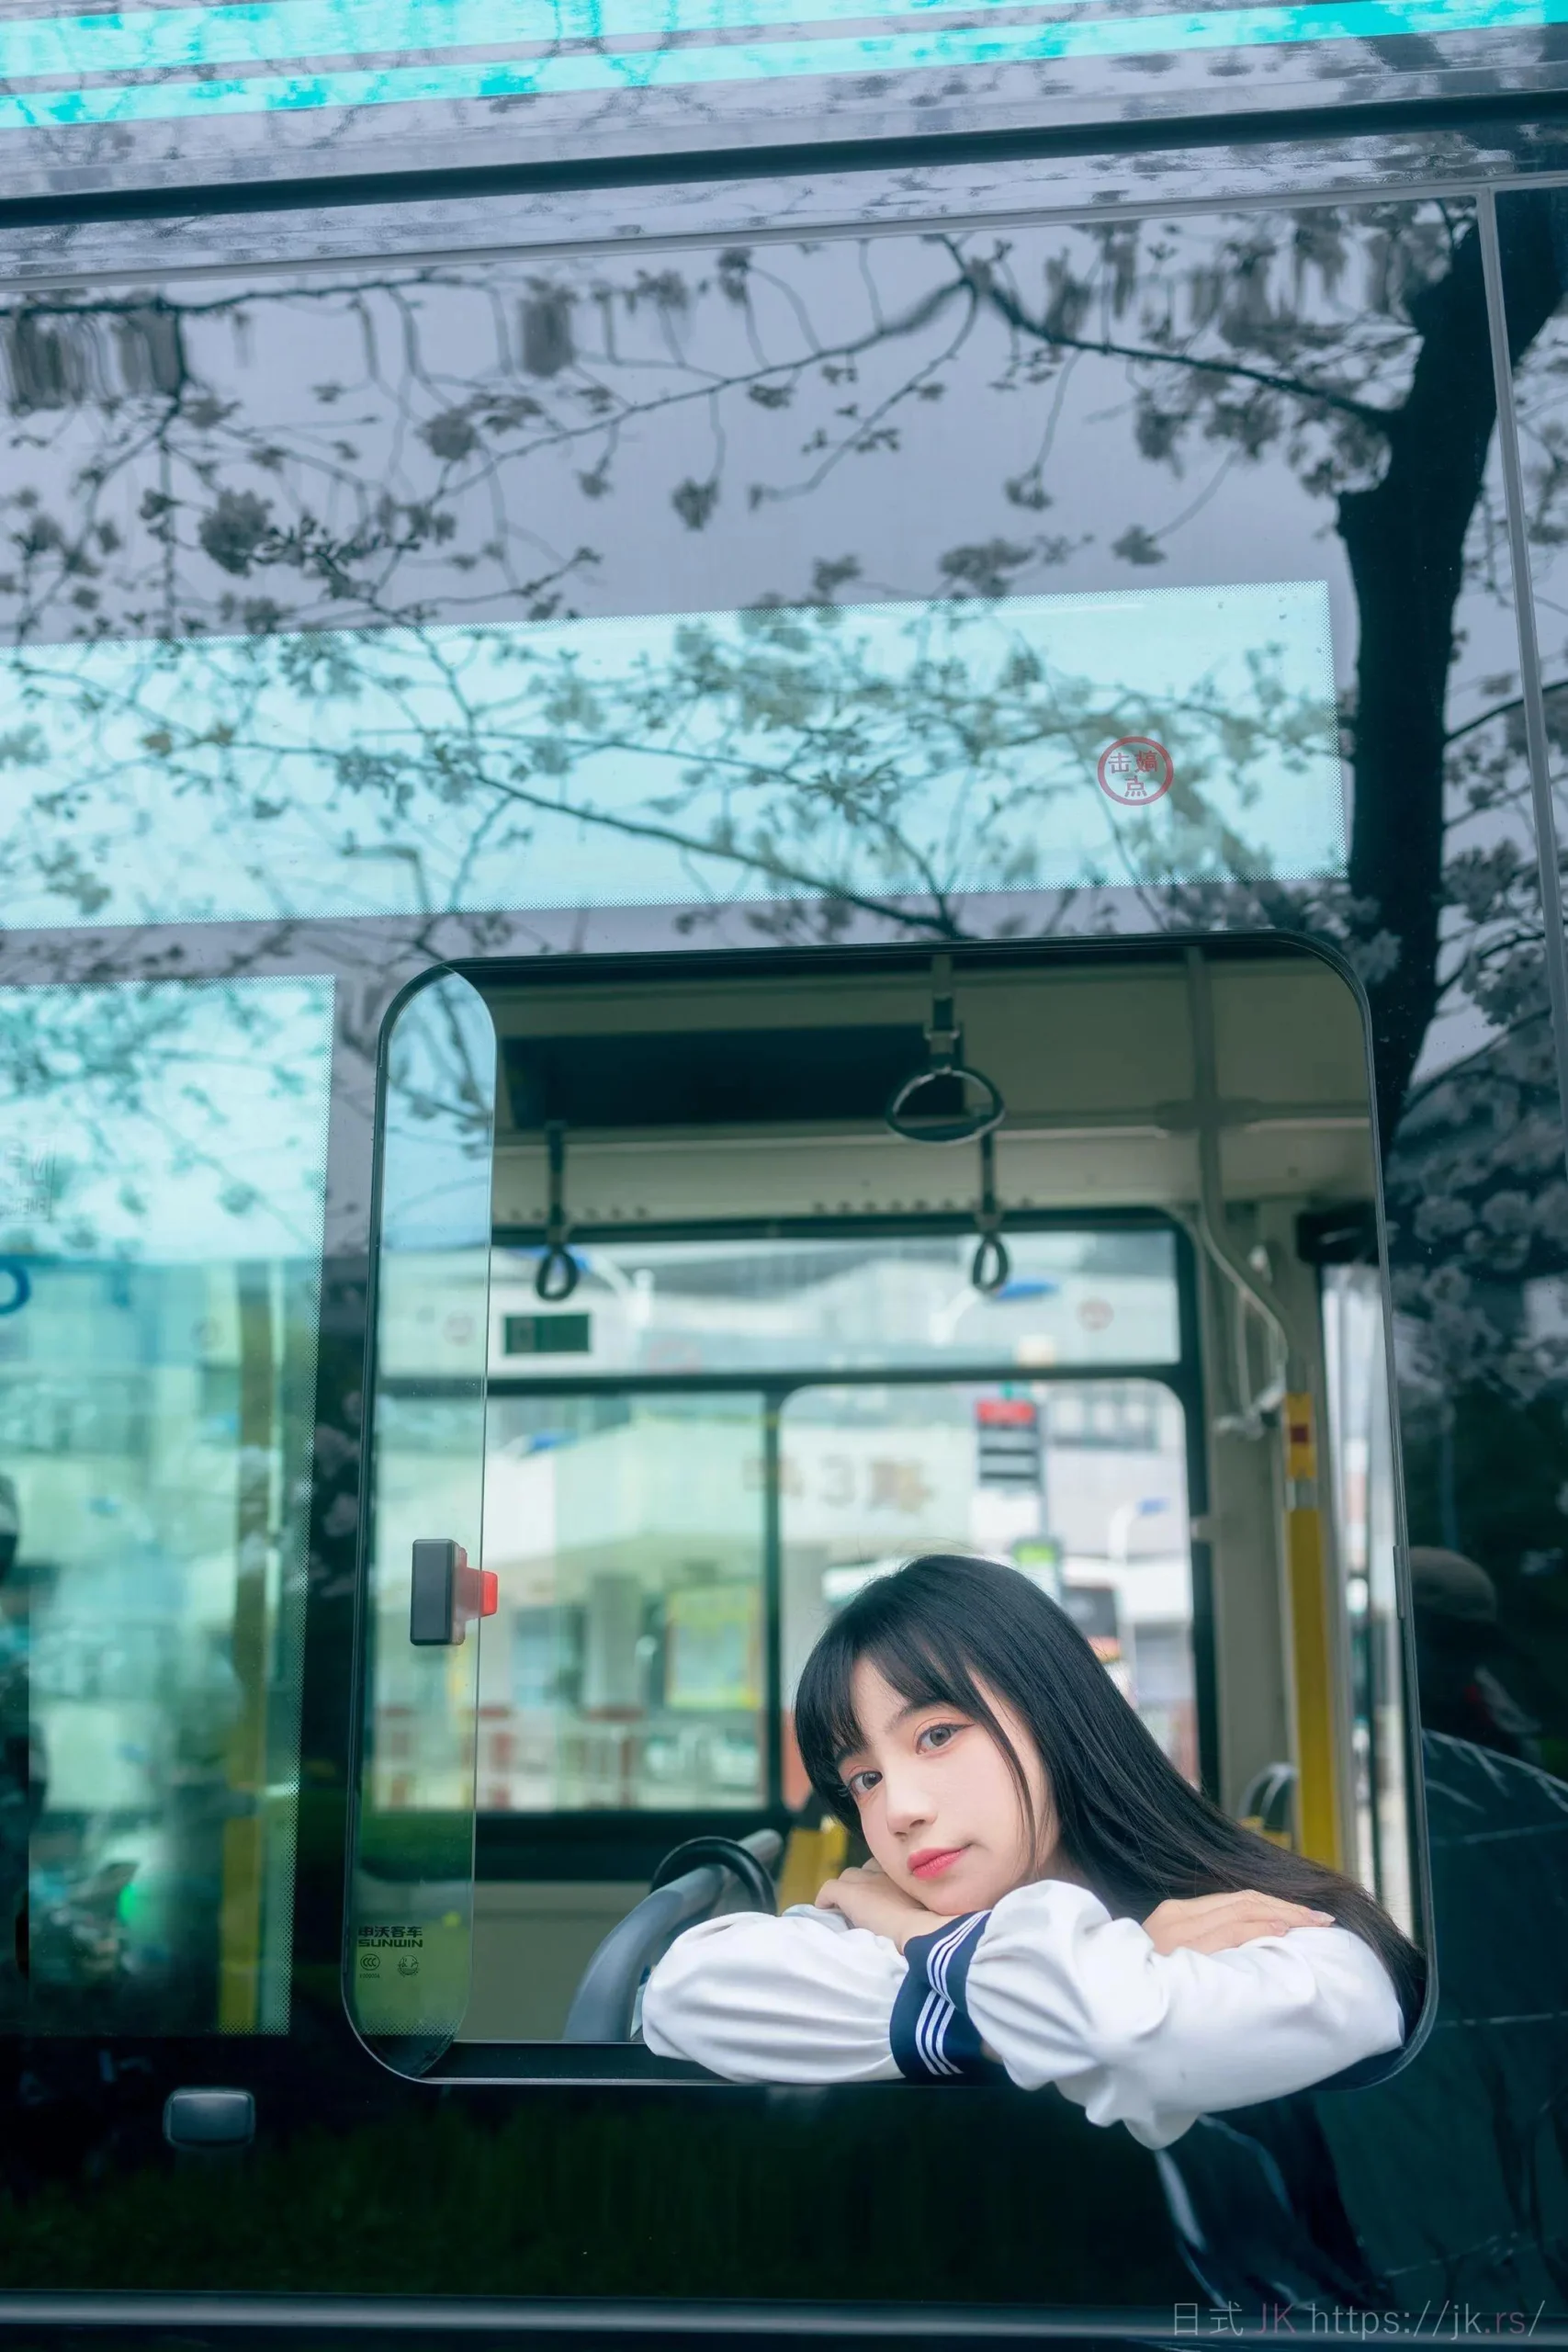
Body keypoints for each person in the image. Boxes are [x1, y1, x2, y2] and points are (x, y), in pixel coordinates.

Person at [642, 1554, 1419, 2146]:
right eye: (865, 1779)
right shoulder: (887, 1933)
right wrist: (1045, 1987)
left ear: (1055, 1716)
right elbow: (683, 1993)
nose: (900, 1810)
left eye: (936, 1736)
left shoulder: (1297, 1940)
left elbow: (1122, 2038)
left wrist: (924, 1940)